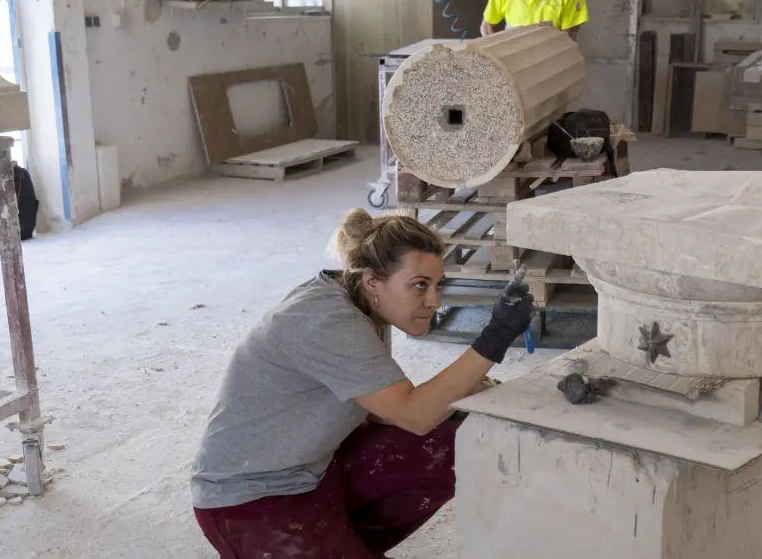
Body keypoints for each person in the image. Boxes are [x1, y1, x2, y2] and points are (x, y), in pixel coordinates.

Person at [190, 210, 534, 559]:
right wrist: (498, 334)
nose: (434, 301)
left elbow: (385, 408)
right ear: (371, 282)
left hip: (315, 468)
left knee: (458, 436)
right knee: (431, 422)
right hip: (251, 499)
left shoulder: (360, 303)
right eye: (420, 285)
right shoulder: (329, 322)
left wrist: (465, 393)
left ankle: (343, 544)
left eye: (438, 285)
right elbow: (414, 415)